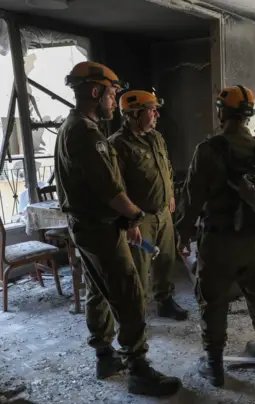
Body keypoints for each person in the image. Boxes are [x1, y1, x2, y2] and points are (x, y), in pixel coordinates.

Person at [54, 61, 182, 397]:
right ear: (95, 92)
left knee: (100, 289)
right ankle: (138, 368)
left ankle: (105, 356)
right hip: (99, 228)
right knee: (129, 294)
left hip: (91, 226)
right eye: (111, 94)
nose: (114, 101)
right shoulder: (86, 133)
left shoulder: (75, 127)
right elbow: (110, 188)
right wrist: (134, 216)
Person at [175, 85, 255, 387]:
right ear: (249, 115)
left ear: (221, 112)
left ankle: (214, 366)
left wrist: (183, 234)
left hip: (219, 240)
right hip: (254, 239)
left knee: (213, 299)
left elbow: (192, 198)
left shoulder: (208, 150)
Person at [108, 90, 188, 321]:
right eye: (152, 110)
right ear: (134, 114)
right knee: (138, 268)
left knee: (166, 260)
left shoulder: (156, 138)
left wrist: (170, 193)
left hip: (163, 214)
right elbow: (117, 188)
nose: (156, 115)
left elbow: (168, 169)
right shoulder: (118, 145)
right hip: (140, 220)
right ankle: (137, 315)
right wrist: (129, 222)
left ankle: (165, 301)